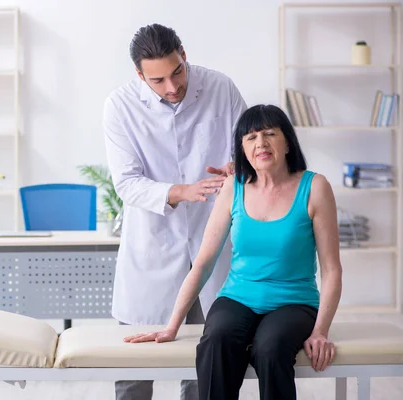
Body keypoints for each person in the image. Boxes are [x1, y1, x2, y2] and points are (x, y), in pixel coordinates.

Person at [124, 104, 343, 400]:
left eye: (269, 134)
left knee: (271, 348)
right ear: (242, 148)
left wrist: (320, 332)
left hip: (294, 302)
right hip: (238, 297)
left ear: (287, 142)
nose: (261, 143)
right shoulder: (234, 186)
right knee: (216, 341)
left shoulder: (314, 186)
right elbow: (203, 262)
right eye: (250, 137)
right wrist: (171, 325)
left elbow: (331, 270)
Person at [103, 23, 247, 400]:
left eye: (177, 71)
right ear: (139, 75)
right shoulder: (120, 106)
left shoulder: (221, 88)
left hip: (211, 244)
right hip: (151, 249)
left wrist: (239, 167)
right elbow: (127, 183)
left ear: (183, 53)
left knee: (203, 368)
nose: (171, 86)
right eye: (157, 80)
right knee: (133, 374)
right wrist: (180, 191)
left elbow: (250, 149)